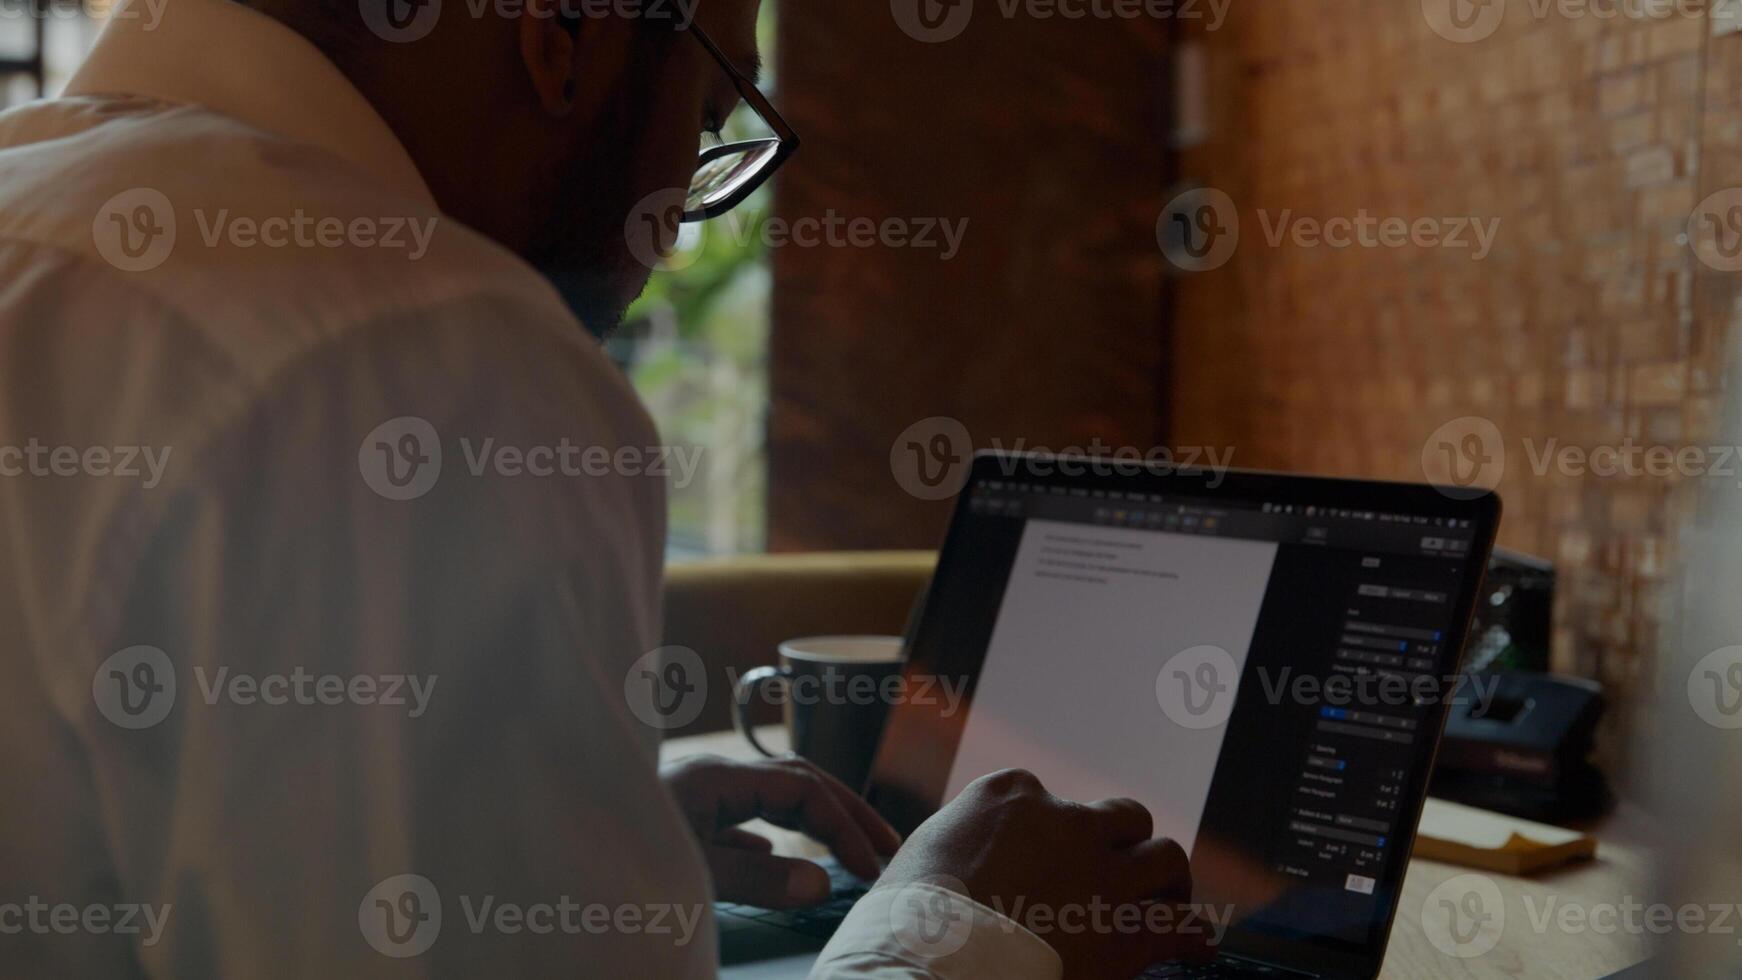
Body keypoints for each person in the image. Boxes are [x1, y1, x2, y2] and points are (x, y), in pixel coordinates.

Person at [0, 0, 1202, 976]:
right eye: (713, 107)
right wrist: (956, 922)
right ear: (557, 35)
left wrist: (566, 850)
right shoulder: (422, 356)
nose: (678, 222)